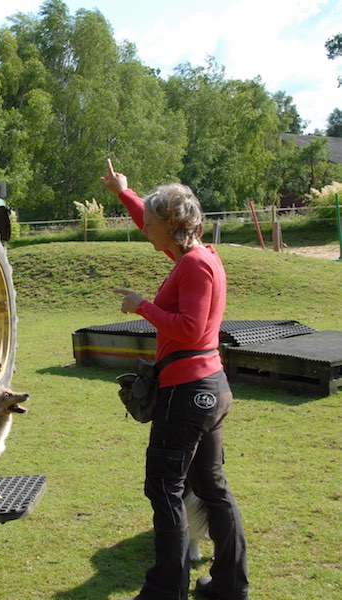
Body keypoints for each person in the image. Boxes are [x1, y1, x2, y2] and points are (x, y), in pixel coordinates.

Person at [101, 159, 249, 600]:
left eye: (150, 222)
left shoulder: (197, 266)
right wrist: (123, 192)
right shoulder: (192, 257)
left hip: (189, 392)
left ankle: (166, 591)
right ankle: (228, 586)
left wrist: (142, 306)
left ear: (172, 224)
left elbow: (189, 328)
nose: (144, 228)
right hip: (206, 389)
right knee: (211, 488)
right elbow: (147, 219)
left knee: (164, 487)